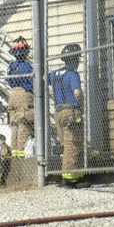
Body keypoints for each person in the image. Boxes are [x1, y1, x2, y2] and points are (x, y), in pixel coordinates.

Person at [47, 43, 90, 188]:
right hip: (71, 111)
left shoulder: (54, 74)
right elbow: (77, 92)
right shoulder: (72, 73)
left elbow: (41, 80)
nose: (78, 62)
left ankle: (69, 174)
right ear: (74, 59)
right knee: (73, 144)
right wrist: (83, 103)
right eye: (77, 59)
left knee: (65, 144)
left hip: (58, 112)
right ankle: (71, 179)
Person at [6, 36, 34, 159]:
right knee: (24, 122)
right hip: (24, 93)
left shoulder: (11, 67)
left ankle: (14, 150)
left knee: (15, 123)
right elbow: (32, 82)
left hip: (12, 94)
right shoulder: (26, 66)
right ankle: (21, 150)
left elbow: (9, 82)